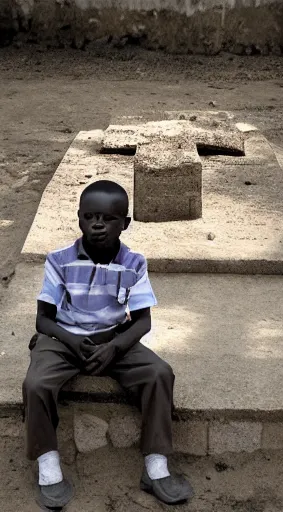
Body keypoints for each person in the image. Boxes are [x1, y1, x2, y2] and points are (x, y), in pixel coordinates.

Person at [22, 180, 193, 509]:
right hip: (63, 338)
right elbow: (43, 320)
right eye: (89, 217)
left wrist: (114, 347)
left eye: (108, 218)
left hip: (114, 338)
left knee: (159, 373)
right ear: (79, 218)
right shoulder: (59, 260)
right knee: (36, 383)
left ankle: (156, 468)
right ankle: (48, 468)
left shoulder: (135, 263)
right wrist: (72, 342)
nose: (97, 224)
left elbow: (142, 321)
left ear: (125, 223)